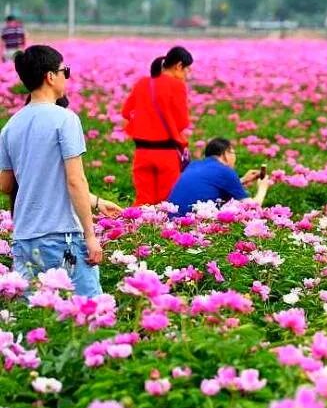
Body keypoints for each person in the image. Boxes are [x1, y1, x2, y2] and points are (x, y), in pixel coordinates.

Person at [0, 46, 111, 296]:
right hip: (63, 236)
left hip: (25, 238)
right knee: (88, 313)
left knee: (37, 315)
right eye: (65, 71)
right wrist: (90, 236)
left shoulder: (10, 126)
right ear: (50, 76)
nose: (66, 76)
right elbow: (75, 180)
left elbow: (6, 185)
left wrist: (96, 201)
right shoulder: (65, 119)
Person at [122, 46, 193, 206]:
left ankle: (136, 230)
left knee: (143, 202)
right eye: (187, 70)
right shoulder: (177, 85)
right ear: (179, 66)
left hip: (142, 152)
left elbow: (126, 112)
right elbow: (183, 122)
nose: (187, 75)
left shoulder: (142, 83)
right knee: (167, 204)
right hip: (166, 154)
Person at [167, 137, 270, 216]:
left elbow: (211, 185)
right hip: (192, 225)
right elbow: (252, 208)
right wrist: (262, 187)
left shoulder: (194, 165)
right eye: (234, 153)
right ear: (226, 154)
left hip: (171, 221)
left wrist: (243, 180)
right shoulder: (225, 171)